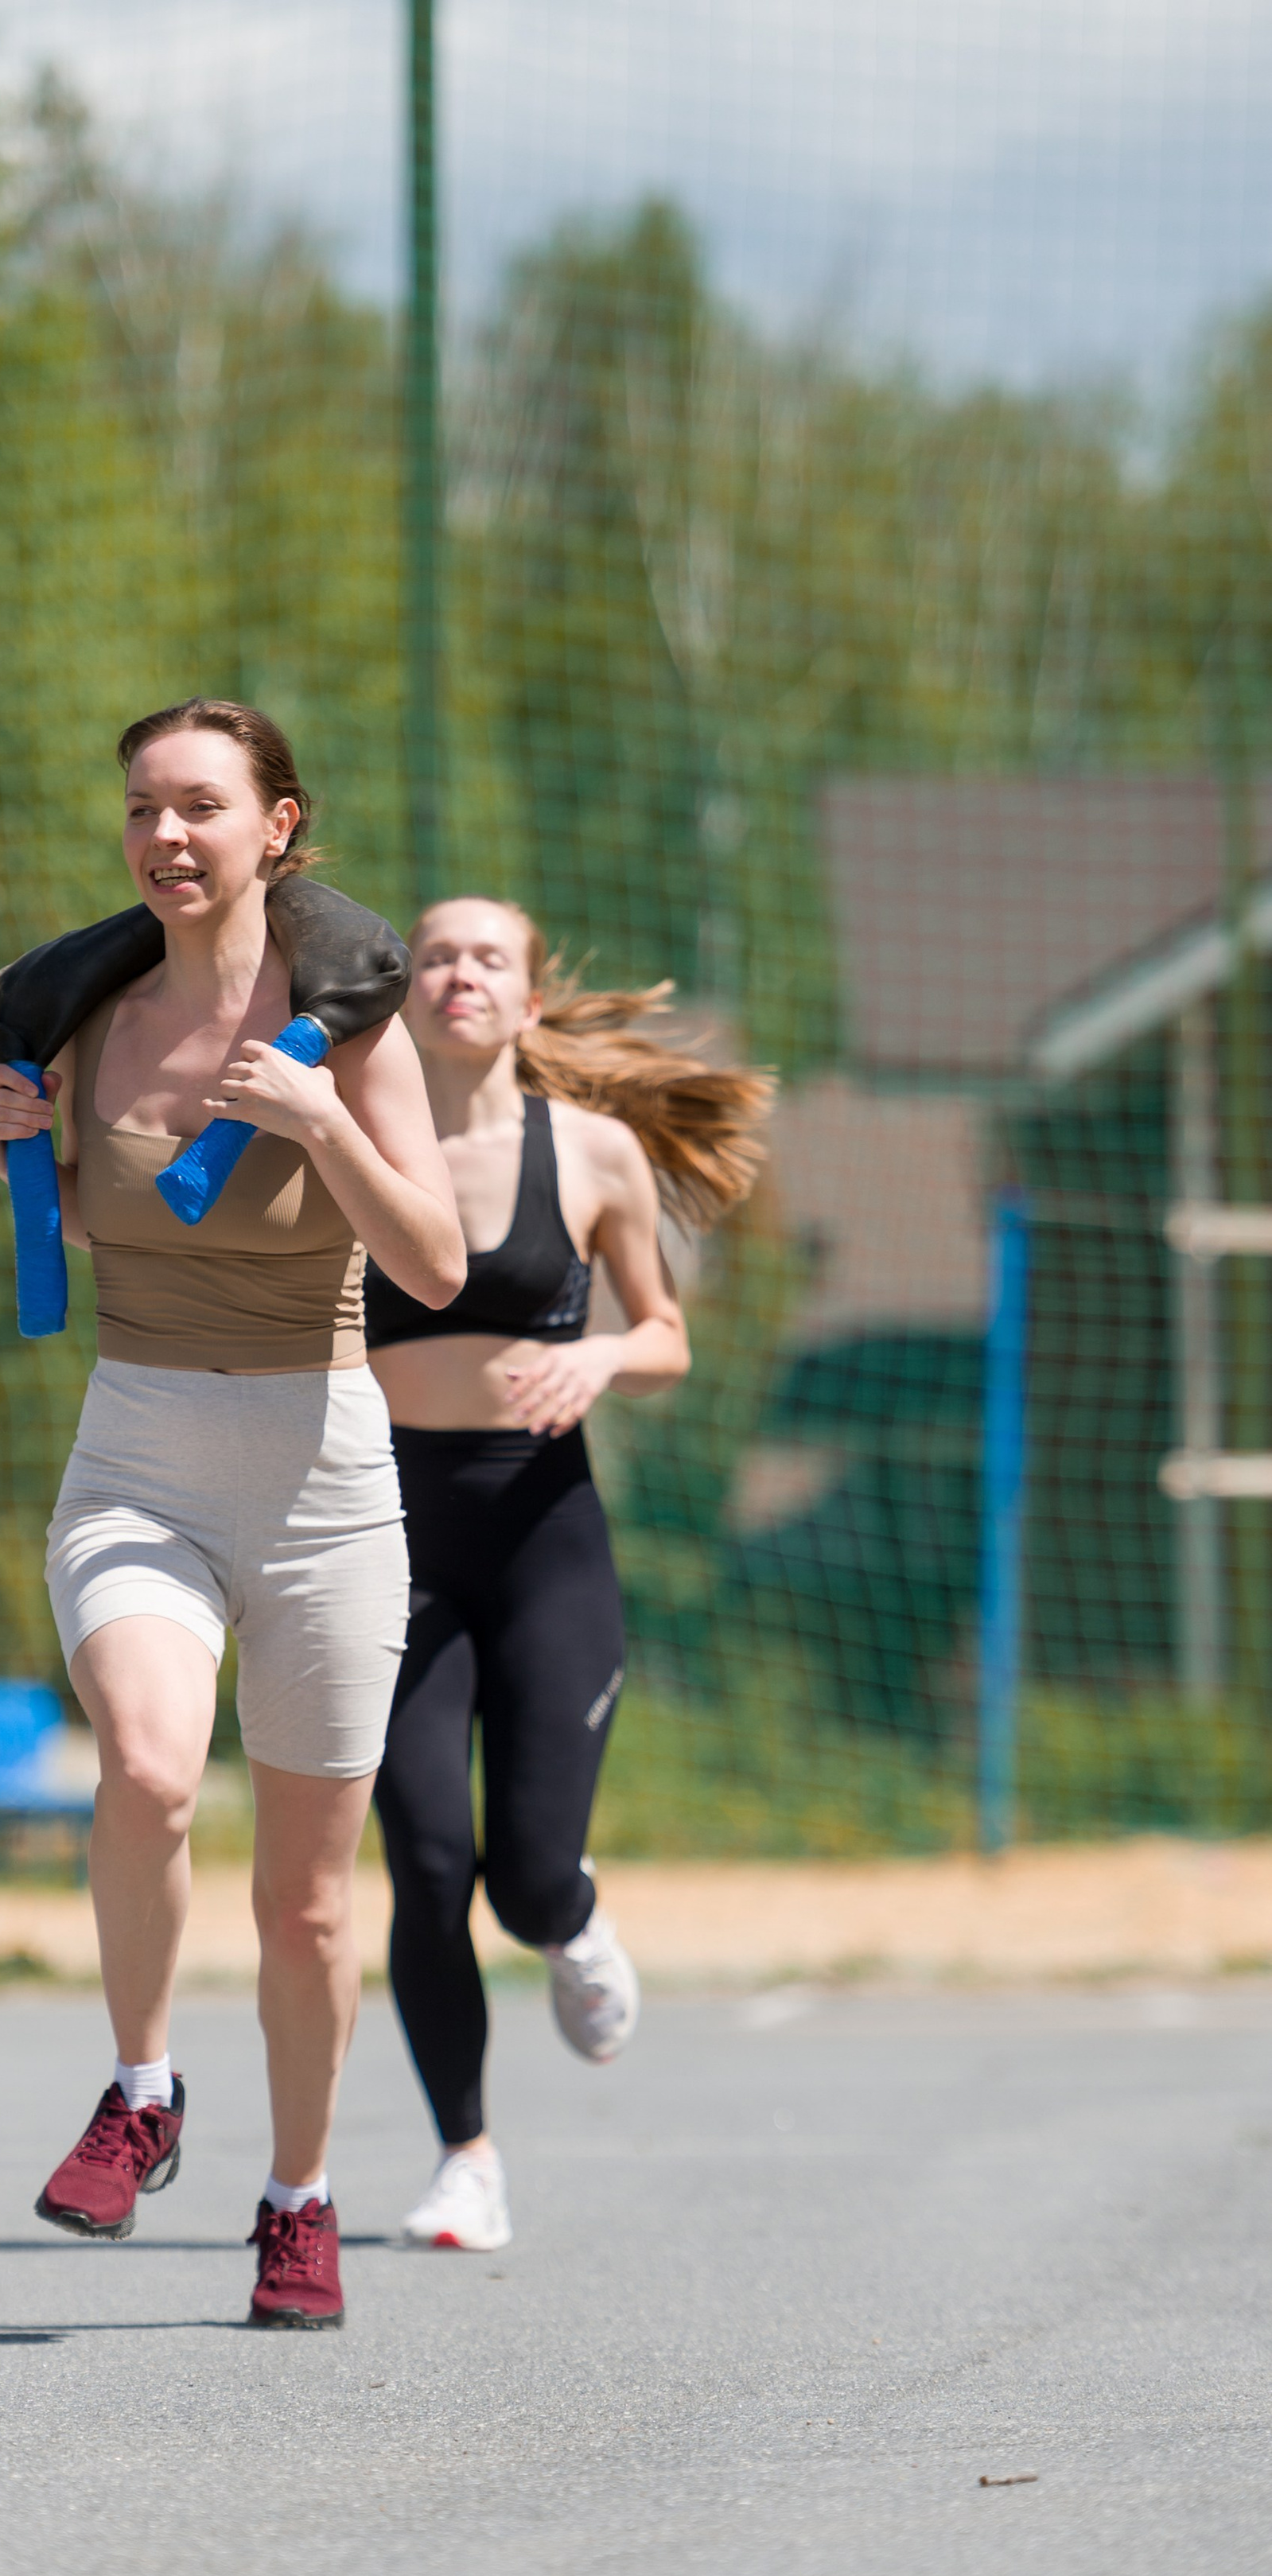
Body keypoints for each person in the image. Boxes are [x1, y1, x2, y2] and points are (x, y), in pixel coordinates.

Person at [0, 702, 464, 2329]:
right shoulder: (82, 1018)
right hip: (141, 1454)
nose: (164, 837)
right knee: (148, 1767)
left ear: (276, 824)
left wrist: (318, 1117)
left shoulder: (348, 1028)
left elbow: (434, 1267)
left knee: (309, 1898)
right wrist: (11, 1162)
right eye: (139, 811)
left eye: (198, 806)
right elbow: (92, 1238)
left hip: (323, 1478)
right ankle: (140, 2087)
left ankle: (298, 2200)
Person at [365, 896, 771, 2253]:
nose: (458, 972)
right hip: (388, 1540)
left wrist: (598, 1357)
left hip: (545, 1539)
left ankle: (576, 1921)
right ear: (405, 992)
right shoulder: (356, 1149)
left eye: (488, 957)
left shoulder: (591, 1154)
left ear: (529, 1003)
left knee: (526, 1880)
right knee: (426, 1866)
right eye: (434, 954)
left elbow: (664, 1336)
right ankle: (466, 2158)